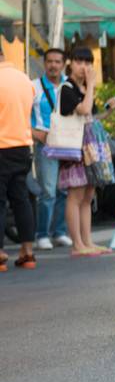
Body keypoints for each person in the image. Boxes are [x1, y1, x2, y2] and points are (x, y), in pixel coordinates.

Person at [55, 48, 110, 257]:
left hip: (88, 148)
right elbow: (85, 110)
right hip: (73, 149)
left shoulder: (83, 87)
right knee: (75, 195)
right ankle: (77, 244)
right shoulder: (67, 88)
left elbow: (92, 117)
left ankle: (88, 241)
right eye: (79, 62)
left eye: (88, 63)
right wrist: (92, 85)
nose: (84, 67)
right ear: (71, 64)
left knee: (88, 195)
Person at [28, 47, 70, 250]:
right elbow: (22, 115)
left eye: (57, 61)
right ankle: (42, 234)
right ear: (44, 64)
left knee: (64, 191)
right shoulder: (33, 87)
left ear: (63, 64)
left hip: (67, 145)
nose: (53, 65)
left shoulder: (70, 84)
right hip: (45, 146)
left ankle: (60, 232)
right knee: (48, 191)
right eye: (49, 61)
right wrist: (37, 134)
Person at [0, 58, 39, 272]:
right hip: (23, 147)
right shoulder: (25, 80)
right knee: (21, 200)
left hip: (1, 147)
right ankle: (28, 251)